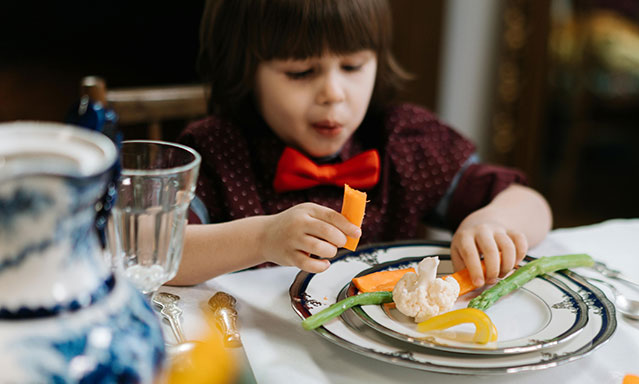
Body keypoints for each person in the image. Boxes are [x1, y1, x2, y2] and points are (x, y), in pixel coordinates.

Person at [171, 0, 552, 288]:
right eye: (301, 72)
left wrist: (492, 222)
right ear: (245, 72)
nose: (334, 94)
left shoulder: (403, 143)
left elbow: (530, 203)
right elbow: (153, 250)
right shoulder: (218, 151)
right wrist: (262, 238)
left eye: (352, 67)